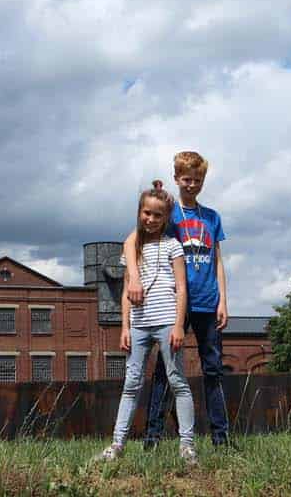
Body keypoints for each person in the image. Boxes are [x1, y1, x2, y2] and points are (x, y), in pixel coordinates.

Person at [123, 150, 231, 448]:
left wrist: (223, 300)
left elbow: (218, 260)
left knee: (213, 368)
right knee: (165, 369)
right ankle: (153, 437)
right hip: (176, 303)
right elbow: (132, 241)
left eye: (197, 180)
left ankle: (221, 438)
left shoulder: (212, 217)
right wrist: (133, 276)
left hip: (208, 302)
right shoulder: (169, 216)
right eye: (186, 179)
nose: (192, 185)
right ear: (177, 179)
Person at [98, 184, 197, 465]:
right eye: (146, 213)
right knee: (131, 384)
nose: (150, 219)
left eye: (157, 215)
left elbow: (181, 288)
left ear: (166, 219)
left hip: (167, 320)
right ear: (139, 212)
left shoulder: (172, 245)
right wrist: (125, 327)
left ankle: (187, 446)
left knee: (178, 381)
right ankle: (116, 445)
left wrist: (179, 325)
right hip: (139, 324)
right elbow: (128, 288)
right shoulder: (133, 248)